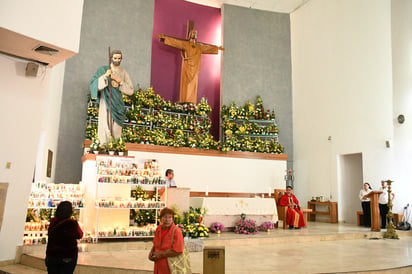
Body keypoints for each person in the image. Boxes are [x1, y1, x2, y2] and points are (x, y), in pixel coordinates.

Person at [158, 29, 224, 104]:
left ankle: (191, 102)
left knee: (193, 83)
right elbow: (176, 42)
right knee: (185, 84)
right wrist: (165, 38)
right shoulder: (185, 44)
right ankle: (184, 101)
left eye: (195, 33)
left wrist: (217, 48)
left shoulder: (199, 46)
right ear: (189, 34)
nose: (194, 34)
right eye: (192, 32)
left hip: (195, 67)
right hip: (187, 67)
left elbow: (207, 48)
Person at [90, 50, 134, 145]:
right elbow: (94, 85)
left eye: (119, 58)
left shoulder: (123, 72)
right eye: (115, 58)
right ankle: (104, 145)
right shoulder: (103, 70)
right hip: (106, 101)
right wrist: (105, 76)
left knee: (116, 129)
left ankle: (116, 146)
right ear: (111, 58)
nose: (117, 60)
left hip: (117, 104)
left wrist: (120, 81)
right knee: (105, 125)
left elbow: (130, 90)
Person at [45, 201, 83, 274]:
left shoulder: (53, 221)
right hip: (67, 255)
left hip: (52, 255)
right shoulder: (72, 223)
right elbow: (79, 235)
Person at [148, 207, 184, 274]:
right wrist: (151, 252)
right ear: (160, 219)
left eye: (170, 217)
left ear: (173, 219)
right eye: (164, 217)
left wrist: (161, 254)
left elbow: (178, 250)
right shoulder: (158, 229)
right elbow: (155, 243)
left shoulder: (176, 231)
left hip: (170, 266)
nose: (167, 220)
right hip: (158, 265)